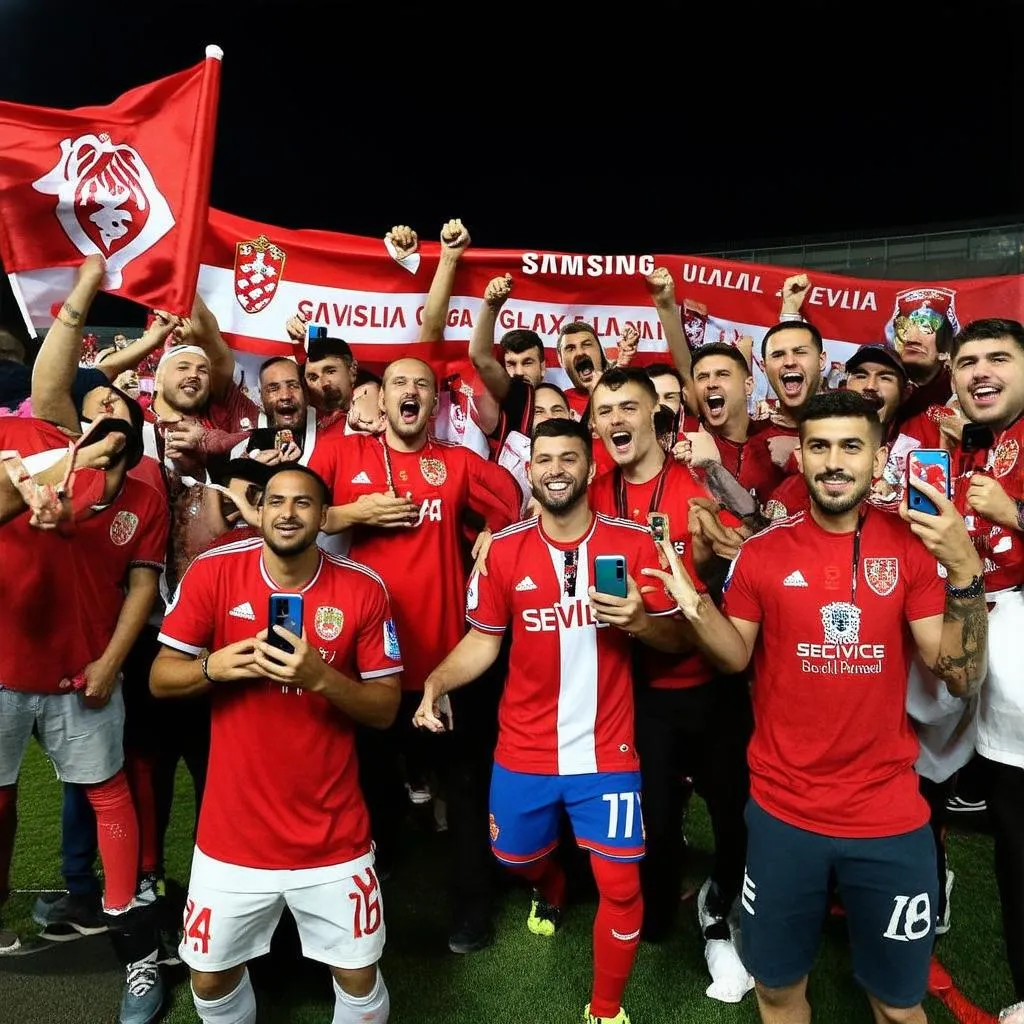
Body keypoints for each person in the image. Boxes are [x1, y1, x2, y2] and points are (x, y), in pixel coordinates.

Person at [642, 389, 988, 1024]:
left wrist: (965, 567)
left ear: (878, 459)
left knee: (899, 1005)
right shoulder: (764, 554)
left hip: (887, 814)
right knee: (777, 994)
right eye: (819, 445)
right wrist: (692, 602)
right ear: (798, 456)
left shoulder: (910, 548)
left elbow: (960, 675)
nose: (834, 461)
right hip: (781, 815)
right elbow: (735, 658)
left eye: (851, 447)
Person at [414, 416, 688, 1024]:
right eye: (544, 459)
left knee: (622, 887)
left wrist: (642, 622)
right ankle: (553, 880)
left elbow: (678, 638)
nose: (556, 469)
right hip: (525, 750)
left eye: (569, 458)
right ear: (529, 470)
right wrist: (436, 680)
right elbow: (483, 643)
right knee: (512, 859)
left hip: (607, 754)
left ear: (590, 470)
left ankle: (605, 1010)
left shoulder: (635, 543)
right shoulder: (505, 549)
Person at [149, 464, 402, 1024]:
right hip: (232, 834)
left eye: (304, 503)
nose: (288, 513)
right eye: (277, 501)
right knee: (210, 980)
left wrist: (321, 678)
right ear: (259, 510)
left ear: (323, 517)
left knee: (358, 977)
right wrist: (213, 667)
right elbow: (161, 678)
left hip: (332, 833)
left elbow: (385, 709)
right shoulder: (214, 572)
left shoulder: (362, 587)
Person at [587, 366, 754, 1001]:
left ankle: (725, 904)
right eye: (605, 412)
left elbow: (755, 547)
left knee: (734, 814)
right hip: (634, 692)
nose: (616, 421)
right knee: (651, 819)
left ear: (655, 412)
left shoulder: (694, 487)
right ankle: (659, 907)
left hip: (708, 684)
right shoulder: (594, 490)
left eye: (628, 408)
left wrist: (723, 544)